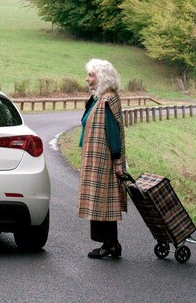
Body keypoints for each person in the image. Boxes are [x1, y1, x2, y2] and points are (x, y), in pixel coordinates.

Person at [78, 58, 127, 259]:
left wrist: (117, 162)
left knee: (104, 202)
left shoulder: (107, 100)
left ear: (102, 78)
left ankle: (111, 244)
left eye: (91, 75)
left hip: (105, 159)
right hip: (96, 157)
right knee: (101, 202)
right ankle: (109, 244)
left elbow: (113, 132)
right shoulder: (99, 98)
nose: (87, 79)